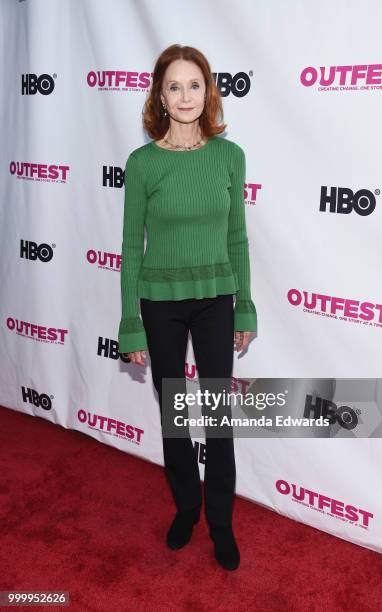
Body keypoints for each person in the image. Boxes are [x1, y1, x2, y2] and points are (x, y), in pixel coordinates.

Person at [117, 44, 257, 571]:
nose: (184, 96)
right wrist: (130, 323)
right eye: (173, 86)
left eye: (194, 85)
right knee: (175, 420)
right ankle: (187, 508)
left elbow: (238, 238)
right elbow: (132, 246)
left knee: (218, 418)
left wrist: (244, 306)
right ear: (160, 93)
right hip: (160, 305)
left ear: (208, 91)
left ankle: (220, 523)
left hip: (217, 300)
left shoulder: (229, 156)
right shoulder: (142, 163)